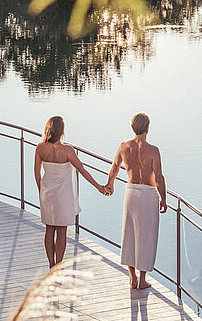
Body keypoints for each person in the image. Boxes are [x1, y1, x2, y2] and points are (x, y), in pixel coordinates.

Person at [34, 116, 107, 268]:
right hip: (63, 196)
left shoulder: (40, 148)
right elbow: (82, 170)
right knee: (61, 232)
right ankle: (58, 267)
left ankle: (51, 264)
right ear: (62, 131)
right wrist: (98, 186)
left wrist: (41, 190)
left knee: (49, 229)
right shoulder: (67, 150)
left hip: (46, 193)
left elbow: (36, 173)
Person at [106, 113, 167, 289]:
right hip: (148, 194)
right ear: (148, 128)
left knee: (130, 234)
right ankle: (142, 279)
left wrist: (110, 184)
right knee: (146, 237)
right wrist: (163, 199)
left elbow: (114, 168)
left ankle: (131, 277)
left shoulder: (124, 147)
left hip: (131, 192)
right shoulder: (153, 150)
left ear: (132, 128)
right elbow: (159, 178)